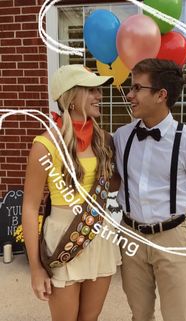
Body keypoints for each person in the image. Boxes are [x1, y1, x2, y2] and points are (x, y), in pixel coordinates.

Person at [113, 58, 186, 321]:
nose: (130, 95)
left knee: (177, 315)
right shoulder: (122, 136)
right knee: (139, 313)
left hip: (172, 237)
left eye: (136, 88)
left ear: (161, 95)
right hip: (131, 235)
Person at [22, 64, 121, 321]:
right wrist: (35, 268)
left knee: (90, 318)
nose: (99, 96)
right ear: (70, 96)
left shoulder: (105, 140)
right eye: (90, 90)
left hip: (100, 235)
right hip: (64, 237)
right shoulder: (45, 145)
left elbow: (114, 186)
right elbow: (30, 208)